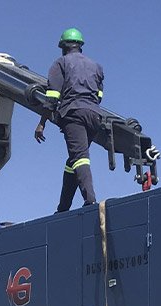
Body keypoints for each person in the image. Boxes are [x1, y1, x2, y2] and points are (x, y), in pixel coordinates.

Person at [35, 28, 105, 213]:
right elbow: (99, 95)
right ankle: (63, 207)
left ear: (63, 46)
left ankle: (90, 201)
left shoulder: (61, 63)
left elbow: (52, 96)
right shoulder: (96, 66)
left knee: (80, 158)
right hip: (94, 115)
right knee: (73, 160)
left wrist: (42, 123)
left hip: (74, 113)